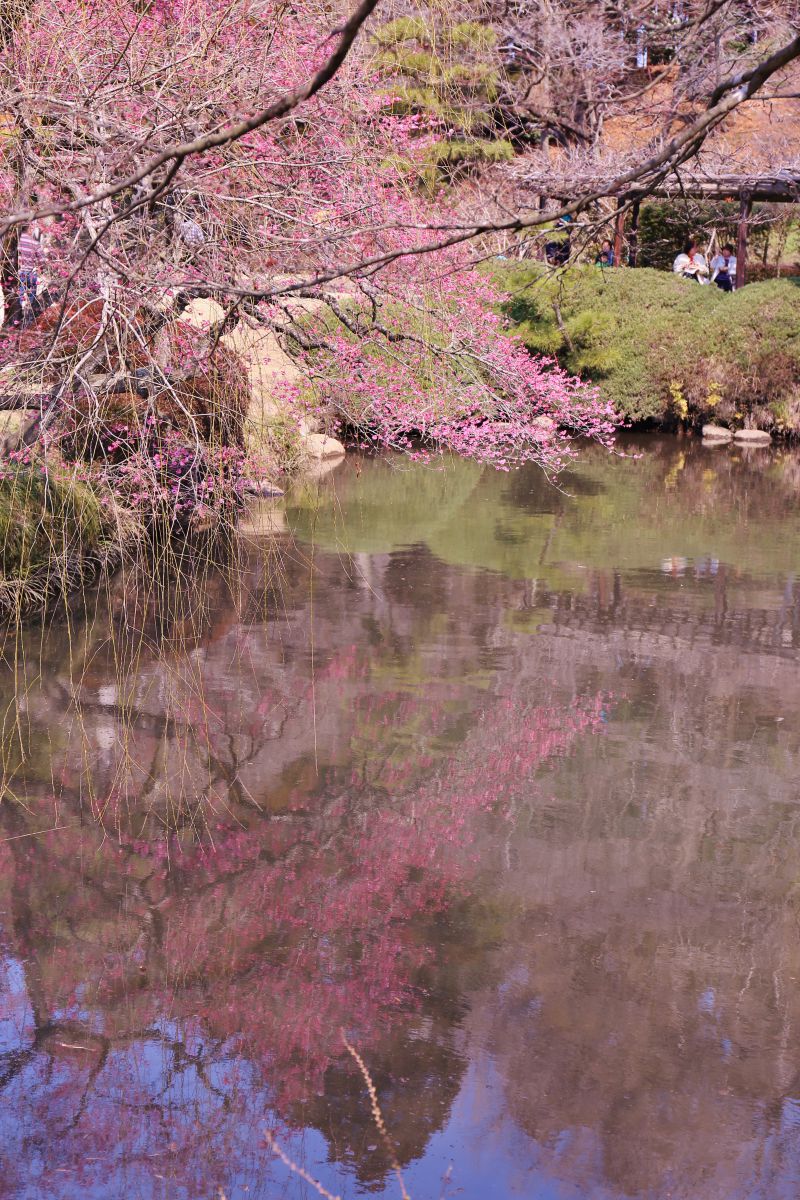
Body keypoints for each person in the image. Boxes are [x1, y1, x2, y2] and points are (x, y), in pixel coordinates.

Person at [16, 223, 43, 326]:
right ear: (29, 228)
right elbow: (42, 259)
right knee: (32, 296)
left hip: (20, 272)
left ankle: (19, 314)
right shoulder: (34, 243)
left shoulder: (16, 241)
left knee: (20, 294)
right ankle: (29, 319)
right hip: (31, 273)